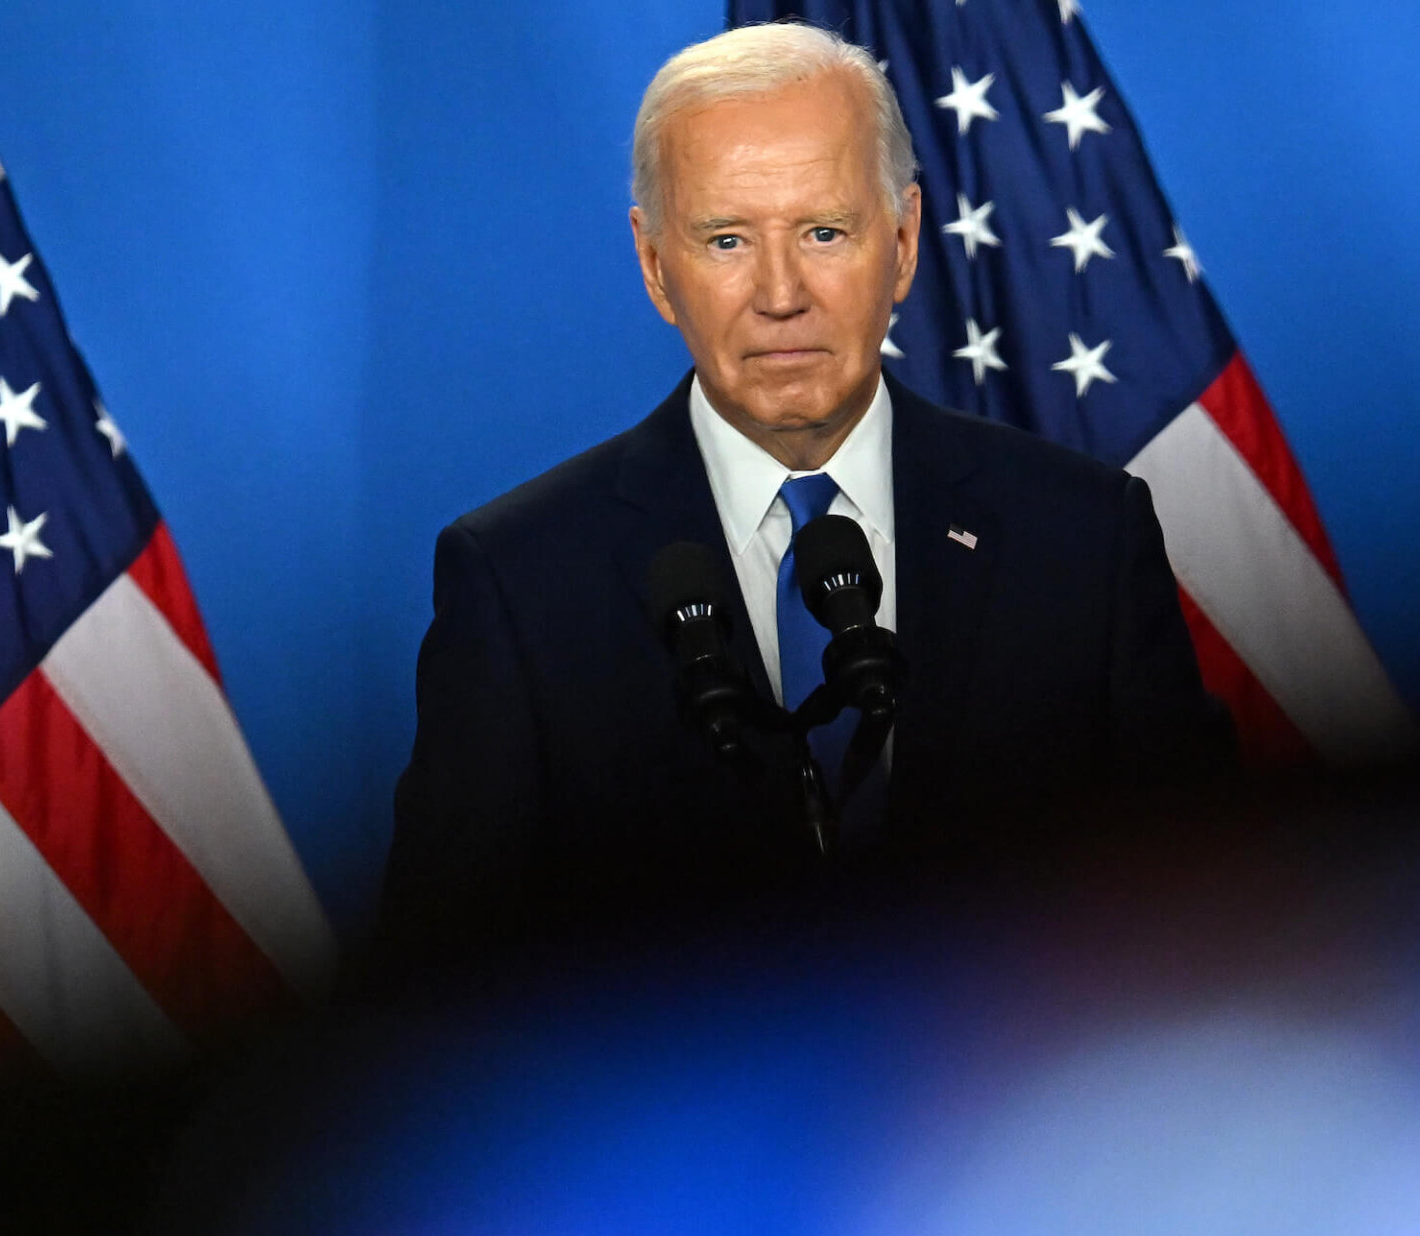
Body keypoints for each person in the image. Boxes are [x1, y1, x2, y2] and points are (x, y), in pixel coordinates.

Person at [380, 21, 1230, 954]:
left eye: (825, 231)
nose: (781, 294)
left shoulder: (1081, 537)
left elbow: (1195, 917)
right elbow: (437, 991)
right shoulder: (520, 585)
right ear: (656, 266)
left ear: (903, 242)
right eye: (727, 240)